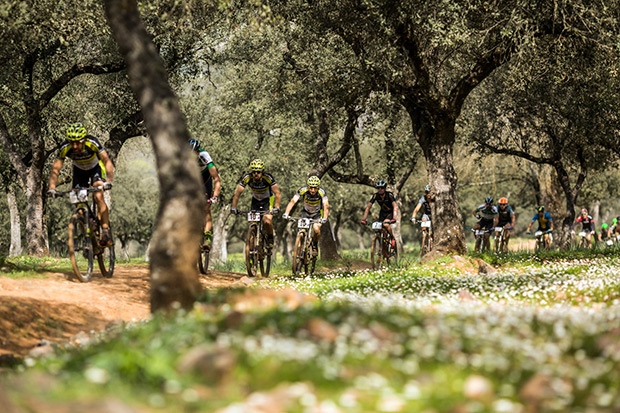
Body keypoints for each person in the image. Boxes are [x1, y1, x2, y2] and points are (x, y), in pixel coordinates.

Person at [47, 123, 114, 246]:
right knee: (79, 204)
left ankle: (105, 230)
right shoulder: (65, 147)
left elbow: (106, 161)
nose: (75, 145)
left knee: (98, 195)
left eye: (78, 142)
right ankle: (89, 235)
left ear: (83, 140)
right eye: (72, 142)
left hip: (95, 168)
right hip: (79, 171)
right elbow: (55, 169)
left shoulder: (92, 142)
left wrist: (109, 181)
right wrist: (52, 188)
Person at [231, 159, 281, 249]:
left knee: (266, 221)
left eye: (258, 172)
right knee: (252, 223)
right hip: (255, 200)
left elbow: (277, 193)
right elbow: (237, 194)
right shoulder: (247, 178)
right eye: (254, 172)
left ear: (262, 172)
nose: (256, 174)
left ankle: (270, 238)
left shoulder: (268, 178)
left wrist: (276, 208)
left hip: (267, 200)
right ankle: (252, 247)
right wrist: (234, 207)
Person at [282, 176, 329, 256]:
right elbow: (293, 201)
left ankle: (314, 245)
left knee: (316, 228)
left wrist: (325, 218)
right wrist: (286, 213)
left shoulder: (322, 192)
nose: (313, 190)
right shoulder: (303, 190)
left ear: (318, 187)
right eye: (311, 188)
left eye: (315, 188)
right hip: (306, 213)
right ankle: (299, 249)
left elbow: (326, 205)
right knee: (301, 229)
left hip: (317, 214)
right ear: (308, 187)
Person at [189, 138, 221, 248]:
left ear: (198, 152)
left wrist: (215, 196)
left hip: (206, 180)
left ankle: (207, 237)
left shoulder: (204, 155)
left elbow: (216, 179)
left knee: (207, 208)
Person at [361, 180, 398, 247]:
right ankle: (382, 246)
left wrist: (394, 218)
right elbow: (368, 208)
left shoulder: (389, 195)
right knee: (379, 227)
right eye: (378, 188)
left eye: (382, 188)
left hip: (390, 213)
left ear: (385, 188)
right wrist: (364, 219)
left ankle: (392, 238)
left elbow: (395, 206)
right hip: (382, 213)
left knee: (386, 225)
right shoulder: (375, 196)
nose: (380, 189)